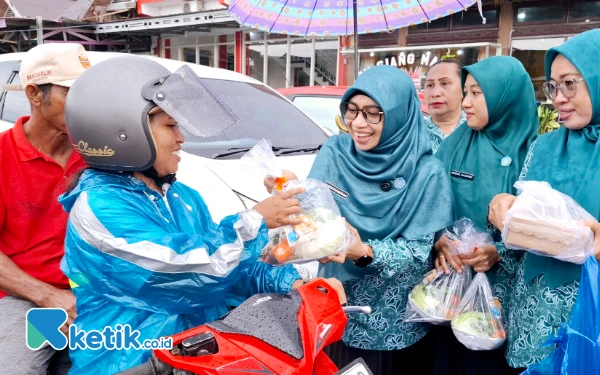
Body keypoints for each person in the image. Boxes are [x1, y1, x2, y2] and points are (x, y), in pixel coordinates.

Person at [59, 56, 345, 374]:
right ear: (123, 133)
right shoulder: (98, 210)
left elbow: (233, 271)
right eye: (170, 126)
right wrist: (255, 220)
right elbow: (184, 273)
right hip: (128, 363)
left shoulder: (183, 197)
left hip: (191, 357)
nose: (181, 138)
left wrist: (297, 283)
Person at [266, 66, 454, 374]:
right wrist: (287, 190)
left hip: (393, 325)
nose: (358, 123)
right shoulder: (335, 152)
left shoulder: (426, 172)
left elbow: (419, 253)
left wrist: (364, 251)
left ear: (396, 116)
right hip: (335, 307)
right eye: (351, 111)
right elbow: (314, 217)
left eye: (372, 114)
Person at [488, 29, 600, 371]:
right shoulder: (544, 148)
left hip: (589, 326)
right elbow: (521, 243)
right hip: (532, 326)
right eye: (552, 86)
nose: (558, 98)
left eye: (570, 84)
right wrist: (504, 215)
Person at [433, 56, 539, 375]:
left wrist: (500, 251)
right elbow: (426, 204)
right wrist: (438, 240)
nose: (465, 103)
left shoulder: (535, 153)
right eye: (465, 92)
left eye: (477, 93)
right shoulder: (454, 145)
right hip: (449, 287)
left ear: (504, 96)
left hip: (500, 299)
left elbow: (541, 230)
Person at [0, 43, 90, 375]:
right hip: (24, 298)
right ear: (36, 94)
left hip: (95, 296)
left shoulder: (101, 154)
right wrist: (48, 297)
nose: (88, 104)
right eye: (73, 92)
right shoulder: (3, 157)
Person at [423, 59, 466, 154]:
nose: (435, 93)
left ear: (463, 89)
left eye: (445, 83)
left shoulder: (477, 130)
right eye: (430, 85)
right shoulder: (412, 132)